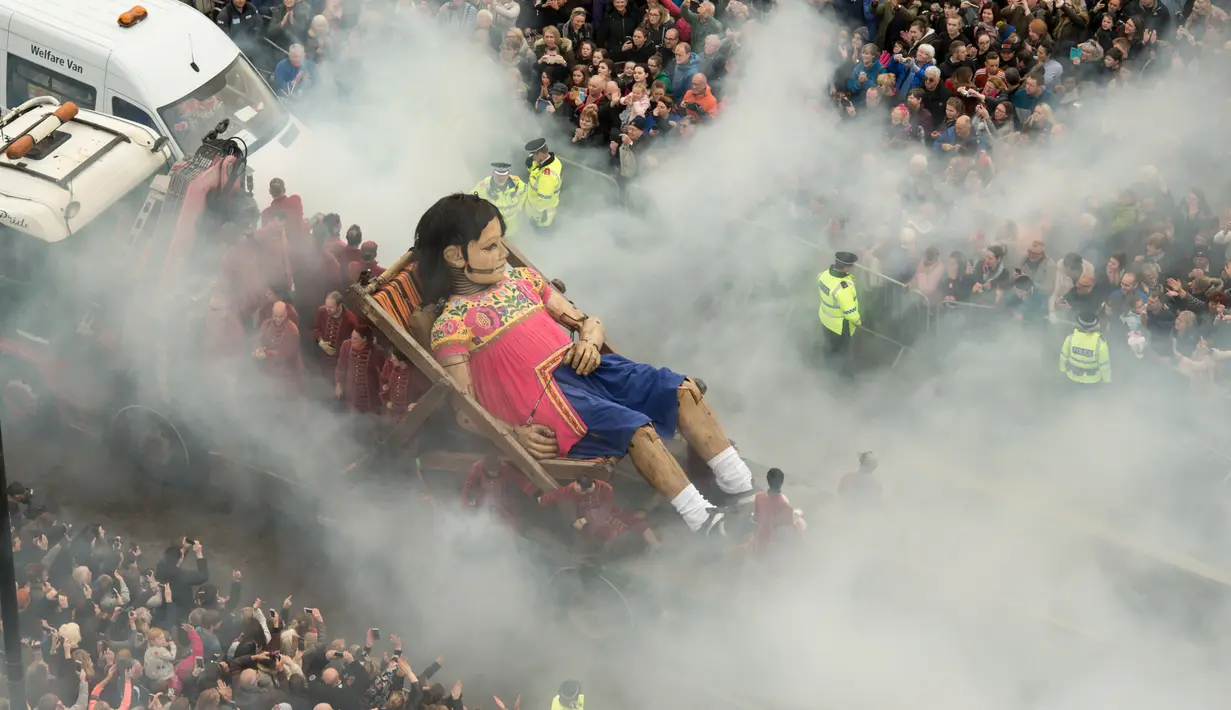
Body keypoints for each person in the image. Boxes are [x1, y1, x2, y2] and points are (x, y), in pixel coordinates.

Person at [414, 194, 754, 535]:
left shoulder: (523, 281)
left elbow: (588, 322)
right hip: (550, 403)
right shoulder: (452, 324)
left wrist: (590, 343)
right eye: (491, 247)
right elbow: (464, 407)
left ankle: (741, 487)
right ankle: (703, 519)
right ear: (456, 256)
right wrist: (511, 434)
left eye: (502, 241)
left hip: (585, 367)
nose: (503, 253)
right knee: (635, 429)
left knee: (682, 390)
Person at [539, 474, 662, 554]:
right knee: (606, 534)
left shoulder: (606, 488)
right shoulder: (575, 488)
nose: (576, 491)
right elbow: (560, 493)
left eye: (580, 491)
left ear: (587, 488)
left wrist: (586, 519)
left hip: (605, 512)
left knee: (636, 521)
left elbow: (606, 509)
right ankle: (602, 556)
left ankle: (656, 545)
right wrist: (543, 499)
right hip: (586, 514)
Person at [460, 454, 540, 529]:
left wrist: (537, 494)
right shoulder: (477, 467)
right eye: (491, 474)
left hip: (502, 500)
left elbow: (521, 481)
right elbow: (469, 485)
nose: (495, 475)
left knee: (510, 526)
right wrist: (465, 501)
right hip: (483, 498)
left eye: (496, 472)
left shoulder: (505, 468)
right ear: (486, 469)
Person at [817, 251, 862, 375]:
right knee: (842, 353)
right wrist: (858, 322)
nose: (853, 269)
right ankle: (843, 381)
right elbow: (850, 313)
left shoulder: (824, 274)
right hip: (839, 327)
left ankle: (828, 372)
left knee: (829, 348)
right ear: (846, 268)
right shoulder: (843, 289)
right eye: (852, 266)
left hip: (826, 320)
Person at [749, 468, 805, 557]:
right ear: (781, 483)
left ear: (768, 480)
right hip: (775, 543)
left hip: (760, 542)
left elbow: (755, 518)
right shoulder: (784, 503)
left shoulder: (759, 497)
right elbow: (788, 523)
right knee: (801, 523)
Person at [254, 302, 304, 398]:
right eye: (275, 316)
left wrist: (266, 353)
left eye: (281, 317)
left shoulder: (292, 330)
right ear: (272, 313)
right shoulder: (266, 325)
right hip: (269, 372)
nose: (278, 319)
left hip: (288, 375)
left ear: (286, 313)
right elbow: (259, 339)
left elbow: (287, 354)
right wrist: (257, 348)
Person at [335, 325, 386, 414]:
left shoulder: (377, 351)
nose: (352, 340)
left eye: (355, 338)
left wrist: (385, 385)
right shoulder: (346, 345)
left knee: (370, 418)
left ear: (364, 339)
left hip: (369, 393)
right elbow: (341, 366)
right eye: (352, 337)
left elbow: (384, 370)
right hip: (352, 390)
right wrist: (338, 384)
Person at [472, 163, 527, 238]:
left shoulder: (517, 184)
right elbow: (470, 199)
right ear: (493, 174)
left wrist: (519, 206)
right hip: (493, 231)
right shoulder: (483, 186)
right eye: (498, 175)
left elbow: (526, 192)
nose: (501, 178)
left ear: (508, 174)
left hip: (512, 230)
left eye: (504, 175)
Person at [312, 291, 358, 377]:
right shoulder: (321, 311)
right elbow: (316, 329)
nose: (327, 309)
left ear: (339, 306)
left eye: (331, 307)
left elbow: (354, 343)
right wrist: (321, 342)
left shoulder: (350, 320)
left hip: (340, 363)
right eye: (326, 306)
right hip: (323, 360)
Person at [1059, 312, 1111, 386]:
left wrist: (1062, 370)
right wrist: (1107, 380)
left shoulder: (1071, 337)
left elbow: (1063, 357)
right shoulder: (1100, 342)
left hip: (1072, 378)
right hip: (1093, 381)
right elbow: (1104, 365)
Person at [523, 138, 563, 230]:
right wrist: (530, 165)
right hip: (536, 209)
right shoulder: (553, 160)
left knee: (540, 233)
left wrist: (535, 218)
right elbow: (536, 171)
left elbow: (543, 202)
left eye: (533, 155)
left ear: (540, 154)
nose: (532, 157)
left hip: (541, 218)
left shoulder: (547, 177)